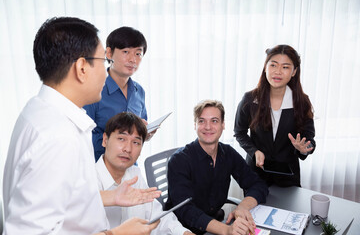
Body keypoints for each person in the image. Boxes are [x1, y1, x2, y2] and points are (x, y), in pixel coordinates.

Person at [2, 17, 160, 235]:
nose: (105, 73)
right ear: (81, 68)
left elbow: (64, 198)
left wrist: (112, 196)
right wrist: (115, 234)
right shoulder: (59, 137)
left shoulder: (39, 109)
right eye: (102, 62)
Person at [165, 100, 269, 235]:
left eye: (214, 121)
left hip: (213, 225)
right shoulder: (179, 160)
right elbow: (186, 211)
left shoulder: (228, 153)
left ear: (223, 125)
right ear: (195, 125)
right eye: (202, 121)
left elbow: (257, 184)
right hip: (181, 229)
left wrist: (242, 207)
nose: (208, 127)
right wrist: (227, 230)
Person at [96, 112, 194, 235]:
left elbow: (158, 217)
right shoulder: (84, 182)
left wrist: (184, 233)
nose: (128, 149)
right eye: (121, 139)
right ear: (105, 140)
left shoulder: (134, 174)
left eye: (136, 142)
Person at [234, 44, 316, 187]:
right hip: (256, 174)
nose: (278, 72)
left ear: (294, 71)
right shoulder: (250, 99)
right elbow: (239, 132)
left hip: (288, 177)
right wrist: (254, 152)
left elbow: (309, 139)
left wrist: (304, 149)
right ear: (265, 67)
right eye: (273, 65)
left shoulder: (302, 102)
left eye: (285, 67)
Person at [84, 26, 152, 162]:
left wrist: (144, 134)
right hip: (99, 169)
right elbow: (83, 137)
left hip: (130, 167)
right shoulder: (93, 89)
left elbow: (138, 132)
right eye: (126, 52)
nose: (133, 60)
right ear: (109, 53)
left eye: (138, 54)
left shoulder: (139, 91)